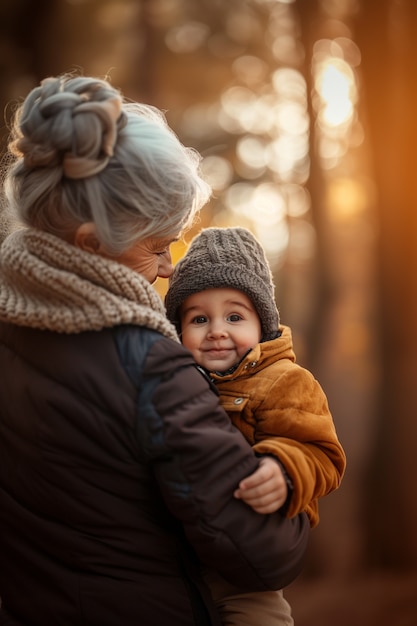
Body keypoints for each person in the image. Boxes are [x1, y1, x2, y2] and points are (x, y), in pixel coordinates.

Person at [0, 74, 310, 626]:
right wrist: (296, 480)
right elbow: (263, 555)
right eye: (159, 247)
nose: (169, 267)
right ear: (93, 244)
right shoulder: (148, 365)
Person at [165, 226, 347, 625]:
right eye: (198, 318)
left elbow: (323, 454)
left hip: (246, 559)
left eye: (234, 316)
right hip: (181, 554)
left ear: (261, 324)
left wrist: (282, 470)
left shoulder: (284, 380)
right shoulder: (174, 382)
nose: (216, 330)